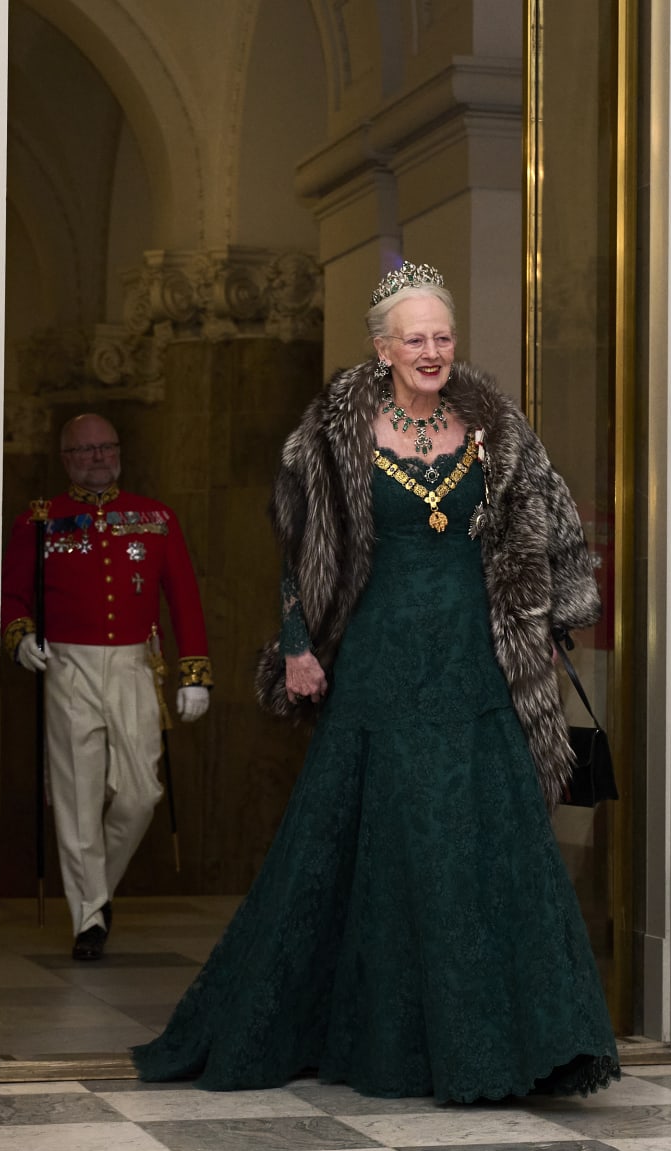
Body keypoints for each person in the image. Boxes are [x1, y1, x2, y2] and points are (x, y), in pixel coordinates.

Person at [132, 263, 619, 1101]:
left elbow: (549, 526)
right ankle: (382, 1041)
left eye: (443, 337)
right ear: (383, 348)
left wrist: (541, 624)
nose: (432, 352)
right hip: (379, 661)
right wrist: (297, 647)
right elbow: (302, 553)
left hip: (475, 660)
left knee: (480, 841)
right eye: (415, 339)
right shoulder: (334, 435)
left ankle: (525, 1045)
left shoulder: (497, 429)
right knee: (385, 842)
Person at [0, 413, 211, 960]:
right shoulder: (39, 520)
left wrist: (194, 672)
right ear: (65, 459)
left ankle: (97, 891)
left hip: (135, 666)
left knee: (141, 794)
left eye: (106, 447)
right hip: (67, 667)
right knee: (77, 797)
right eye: (85, 450)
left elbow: (184, 597)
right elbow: (12, 594)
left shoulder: (156, 518)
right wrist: (20, 635)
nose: (97, 458)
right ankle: (88, 920)